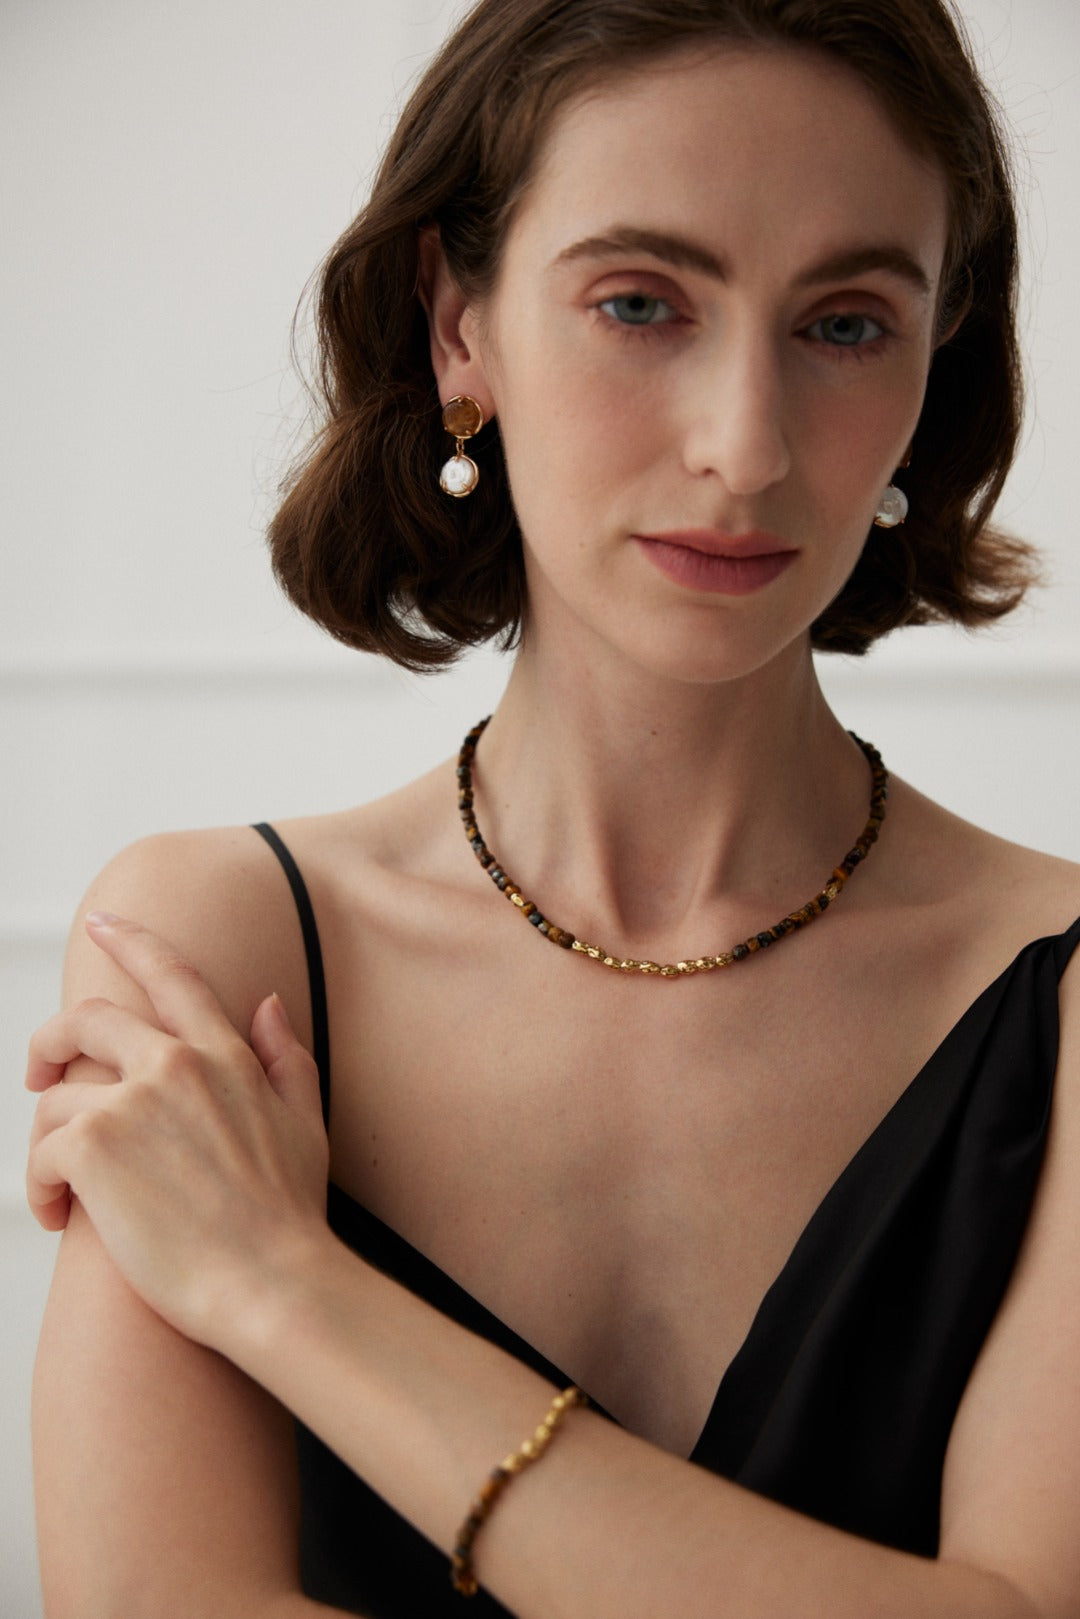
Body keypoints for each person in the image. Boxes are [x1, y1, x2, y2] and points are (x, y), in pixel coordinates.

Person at [24, 0, 1080, 1614]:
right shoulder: (216, 945)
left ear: (937, 359)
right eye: (641, 303)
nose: (744, 446)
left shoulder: (1060, 994)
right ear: (460, 327)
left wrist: (284, 1285)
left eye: (848, 323)